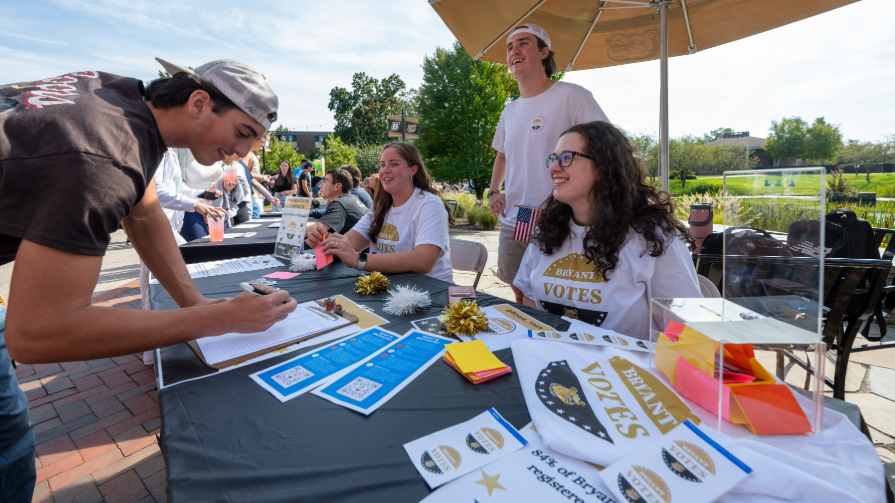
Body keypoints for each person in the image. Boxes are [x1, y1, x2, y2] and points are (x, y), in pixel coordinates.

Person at [0, 59, 298, 501]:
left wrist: (197, 304)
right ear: (199, 102)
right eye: (241, 133)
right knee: (10, 448)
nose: (240, 154)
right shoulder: (103, 157)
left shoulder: (122, 101)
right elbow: (39, 333)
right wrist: (215, 321)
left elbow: (145, 210)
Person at [513, 121, 700, 340]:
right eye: (553, 158)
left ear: (603, 167)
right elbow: (528, 301)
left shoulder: (653, 238)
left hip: (625, 370)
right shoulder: (549, 230)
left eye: (566, 158)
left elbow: (688, 331)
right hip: (552, 364)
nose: (554, 168)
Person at [489, 23, 608, 303]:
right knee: (518, 288)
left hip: (563, 216)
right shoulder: (509, 110)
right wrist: (494, 189)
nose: (514, 51)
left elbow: (606, 145)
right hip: (517, 217)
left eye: (523, 43)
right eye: (509, 47)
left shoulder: (573, 95)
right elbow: (502, 154)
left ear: (544, 52)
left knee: (558, 293)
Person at [308, 143, 453, 282]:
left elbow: (423, 261)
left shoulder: (429, 204)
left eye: (394, 164)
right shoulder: (382, 206)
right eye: (382, 165)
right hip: (387, 288)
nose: (385, 170)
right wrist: (324, 240)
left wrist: (359, 260)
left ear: (413, 170)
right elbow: (349, 243)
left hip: (430, 293)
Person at [306, 169, 368, 238]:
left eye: (325, 181)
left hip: (354, 248)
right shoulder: (351, 198)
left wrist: (294, 223)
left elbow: (318, 229)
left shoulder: (339, 204)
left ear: (337, 187)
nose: (320, 185)